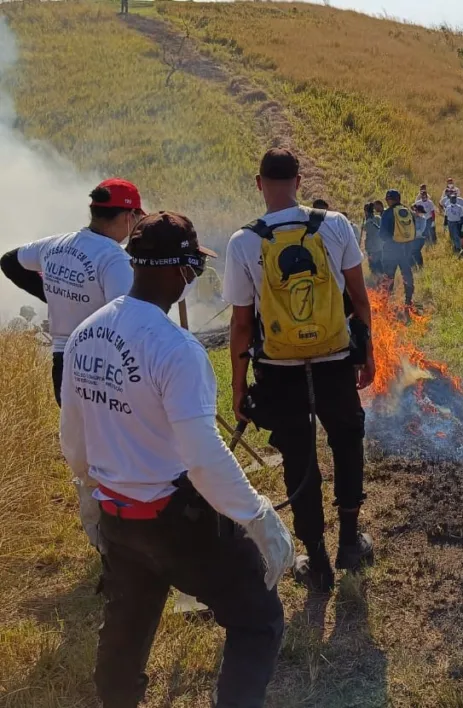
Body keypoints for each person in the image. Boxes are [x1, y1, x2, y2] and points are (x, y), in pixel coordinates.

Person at [60, 211, 294, 707]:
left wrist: (87, 489)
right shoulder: (176, 349)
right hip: (176, 521)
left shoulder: (86, 334)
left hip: (117, 519)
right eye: (194, 268)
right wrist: (257, 516)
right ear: (178, 270)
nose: (195, 279)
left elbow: (73, 435)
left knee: (124, 633)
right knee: (258, 620)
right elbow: (203, 456)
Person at [223, 148, 376, 594]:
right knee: (347, 443)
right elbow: (360, 300)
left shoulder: (244, 241)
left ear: (259, 183)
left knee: (299, 459)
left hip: (279, 371)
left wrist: (238, 385)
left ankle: (319, 562)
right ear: (299, 181)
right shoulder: (335, 225)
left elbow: (241, 323)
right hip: (333, 363)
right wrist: (368, 355)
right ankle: (350, 541)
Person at [1, 178, 142, 406]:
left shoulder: (55, 244)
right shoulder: (115, 259)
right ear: (129, 216)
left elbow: (9, 261)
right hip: (101, 363)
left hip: (63, 361)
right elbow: (127, 321)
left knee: (75, 437)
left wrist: (50, 293)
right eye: (137, 217)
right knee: (108, 438)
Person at [379, 188, 417, 307]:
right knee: (407, 274)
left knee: (388, 276)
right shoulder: (408, 211)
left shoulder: (388, 213)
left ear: (389, 200)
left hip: (391, 249)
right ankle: (408, 301)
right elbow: (413, 232)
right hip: (406, 249)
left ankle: (384, 303)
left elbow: (382, 234)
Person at [361, 201, 385, 278]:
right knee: (380, 265)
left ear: (366, 212)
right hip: (380, 246)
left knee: (373, 267)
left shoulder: (367, 223)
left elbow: (365, 231)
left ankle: (376, 282)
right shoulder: (378, 218)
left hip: (372, 249)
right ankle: (383, 281)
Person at [442, 188, 463, 253]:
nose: (453, 200)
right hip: (450, 223)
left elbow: (462, 217)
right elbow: (446, 216)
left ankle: (458, 248)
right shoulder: (448, 207)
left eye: (454, 199)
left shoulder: (459, 207)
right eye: (452, 199)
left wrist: (461, 224)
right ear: (450, 200)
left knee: (457, 236)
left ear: (456, 199)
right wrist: (445, 224)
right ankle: (455, 246)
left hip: (457, 223)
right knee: (452, 236)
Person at [411, 203, 429, 269]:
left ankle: (420, 266)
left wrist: (412, 233)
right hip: (411, 238)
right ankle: (414, 267)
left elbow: (421, 230)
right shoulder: (411, 217)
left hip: (419, 238)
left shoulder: (423, 219)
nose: (422, 214)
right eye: (420, 212)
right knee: (411, 253)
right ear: (417, 211)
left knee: (416, 252)